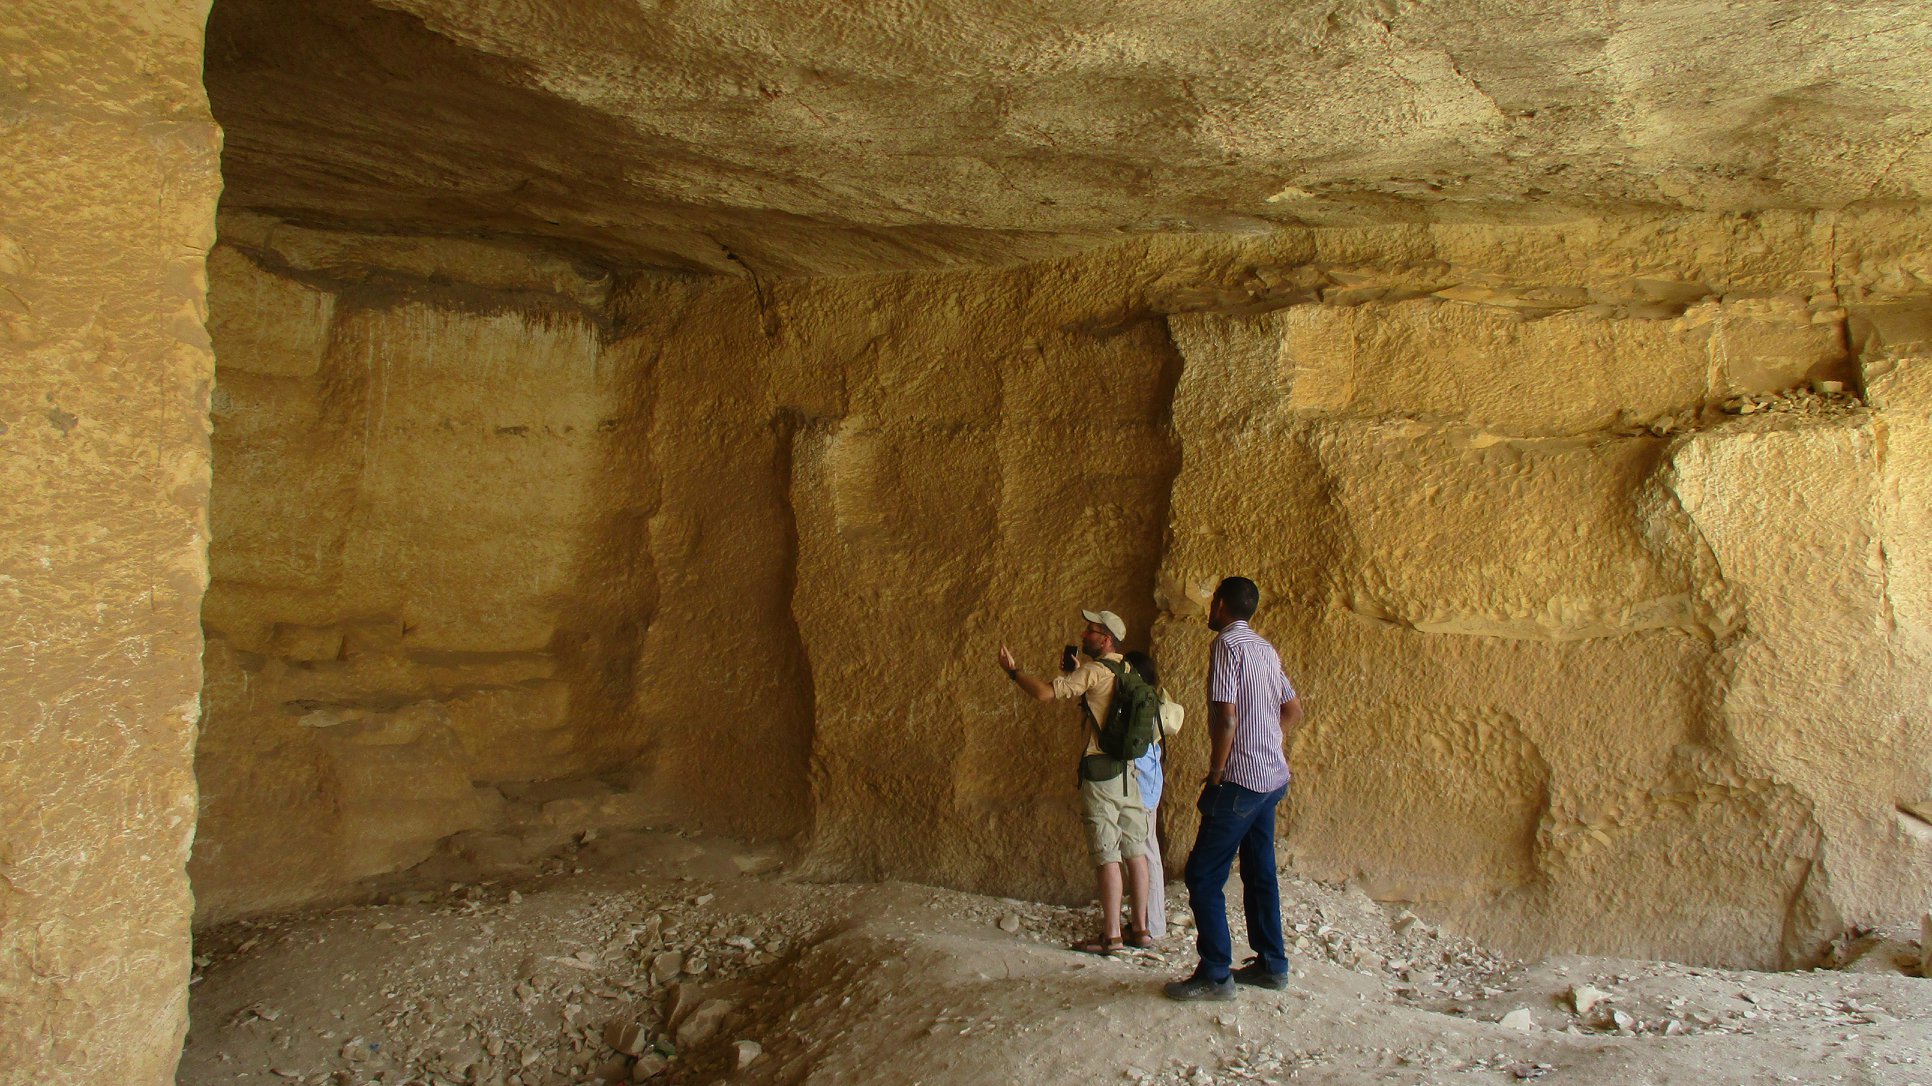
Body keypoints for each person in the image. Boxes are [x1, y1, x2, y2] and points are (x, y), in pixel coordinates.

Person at [1164, 576, 1302, 1001]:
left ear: (1221, 605)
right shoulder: (1264, 648)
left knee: (1203, 873)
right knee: (1260, 871)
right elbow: (1293, 709)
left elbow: (1225, 717)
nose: (1209, 610)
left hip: (1240, 780)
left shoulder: (1227, 645)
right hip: (1273, 777)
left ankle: (1216, 973)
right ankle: (1271, 964)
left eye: (1212, 603)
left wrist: (1218, 771)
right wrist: (1270, 742)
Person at [999, 608, 1153, 953]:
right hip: (1128, 772)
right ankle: (1141, 930)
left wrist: (1013, 672)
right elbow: (1103, 704)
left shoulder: (1095, 671)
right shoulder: (1128, 669)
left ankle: (1112, 935)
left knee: (1107, 854)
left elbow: (1042, 694)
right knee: (1135, 851)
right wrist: (1074, 675)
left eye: (1091, 632)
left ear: (1107, 638)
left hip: (1100, 773)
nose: (1085, 636)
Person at [1122, 649, 1170, 941]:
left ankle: (1151, 926)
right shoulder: (1153, 700)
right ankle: (1151, 923)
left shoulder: (1138, 703)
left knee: (1145, 854)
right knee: (1148, 851)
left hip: (1142, 785)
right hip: (1152, 781)